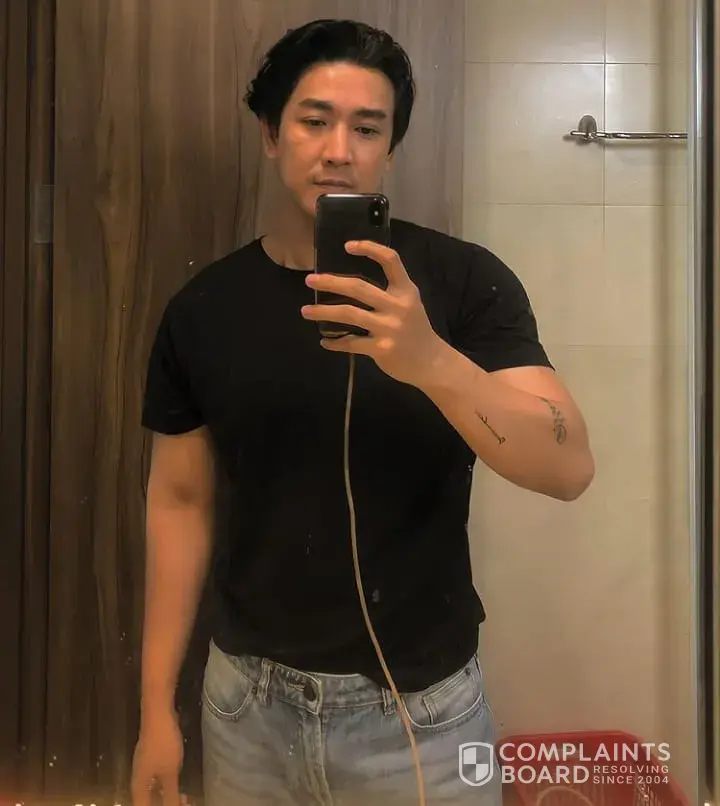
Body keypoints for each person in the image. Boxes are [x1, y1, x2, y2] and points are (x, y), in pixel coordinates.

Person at [131, 17, 595, 806]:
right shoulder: (203, 309)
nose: (339, 149)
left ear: (390, 149)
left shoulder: (462, 282)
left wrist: (433, 361)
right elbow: (178, 503)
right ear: (270, 134)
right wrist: (154, 709)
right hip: (246, 709)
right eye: (314, 121)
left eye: (367, 128)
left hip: (423, 715)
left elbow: (568, 467)